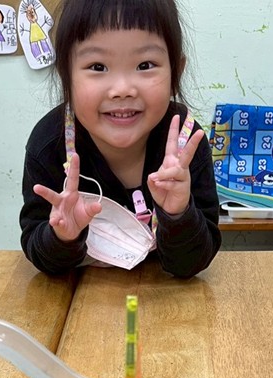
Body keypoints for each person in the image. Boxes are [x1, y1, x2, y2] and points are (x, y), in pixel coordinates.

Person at [20, 0, 221, 278]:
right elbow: (42, 258)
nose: (122, 89)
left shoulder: (185, 144)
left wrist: (178, 215)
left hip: (163, 296)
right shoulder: (49, 146)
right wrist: (62, 237)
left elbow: (193, 264)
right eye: (98, 66)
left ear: (176, 72)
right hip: (80, 295)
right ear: (65, 74)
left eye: (145, 65)